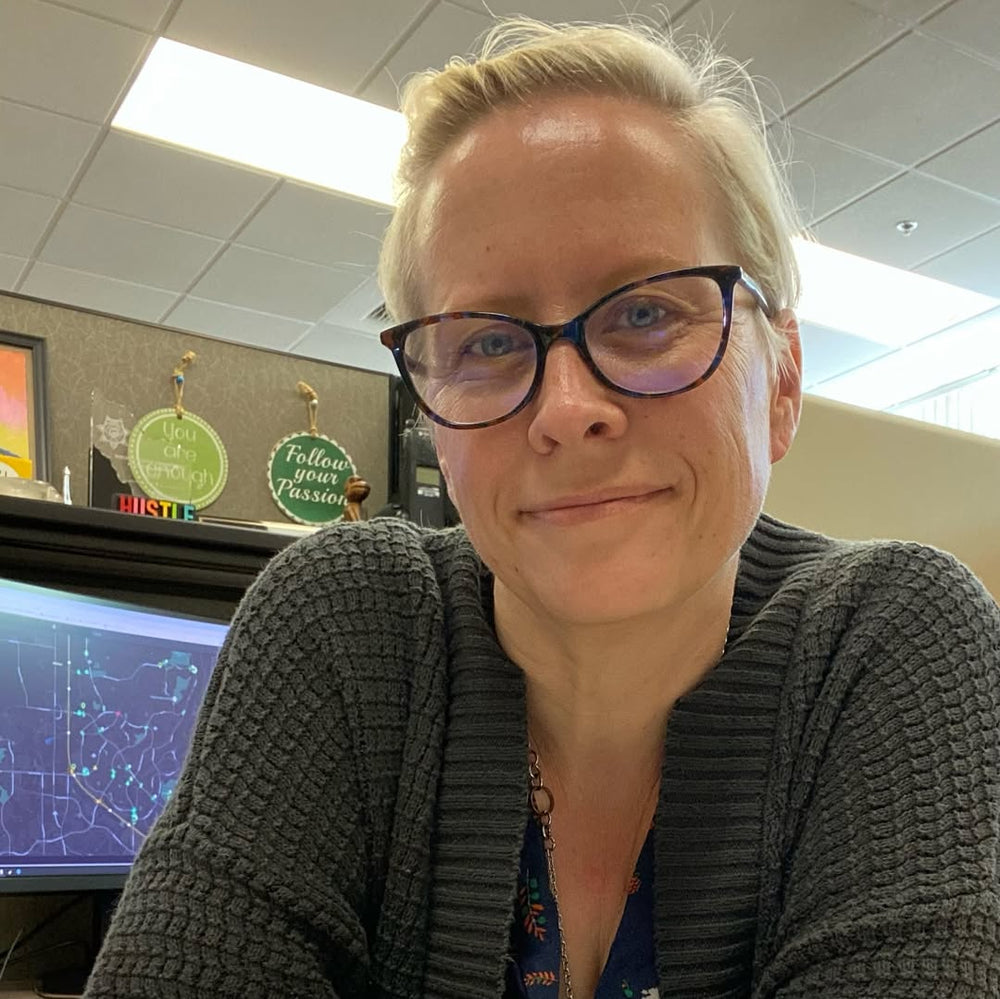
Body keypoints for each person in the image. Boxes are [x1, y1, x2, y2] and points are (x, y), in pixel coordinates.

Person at [84, 17, 1000, 999]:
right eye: (485, 341)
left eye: (645, 312)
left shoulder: (891, 641)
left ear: (780, 381)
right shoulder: (343, 626)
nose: (567, 410)